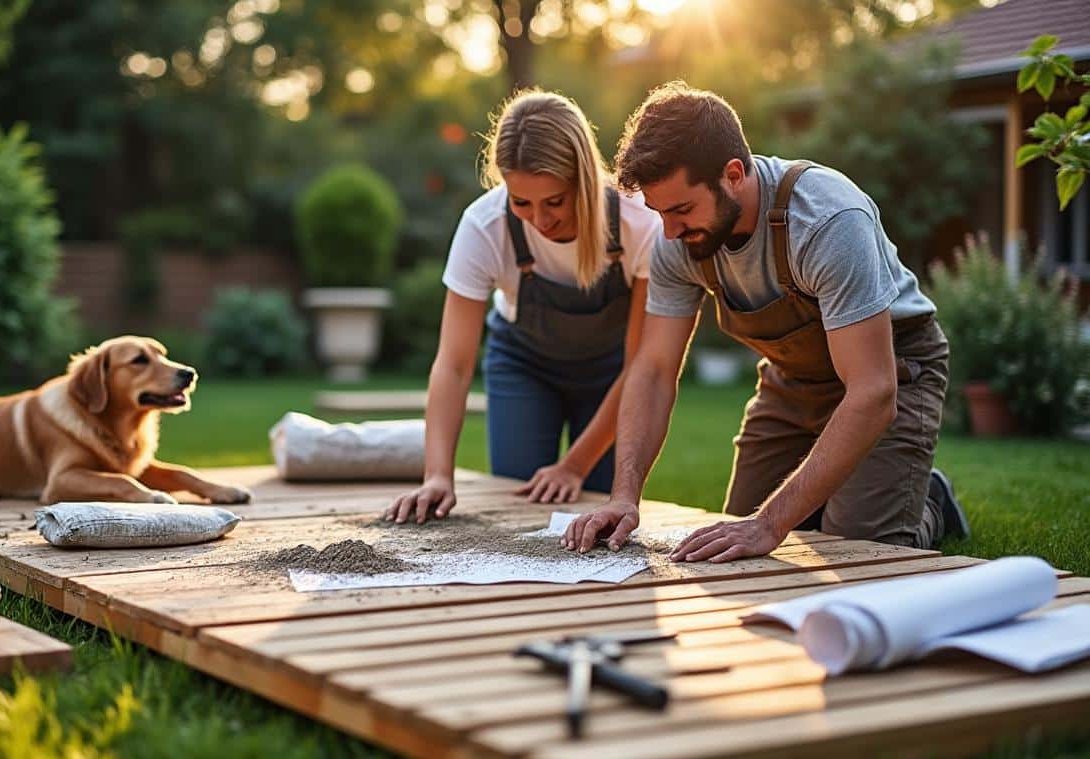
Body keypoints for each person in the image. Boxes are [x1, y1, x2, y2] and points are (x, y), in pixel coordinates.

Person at [563, 82, 969, 559]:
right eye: (659, 213)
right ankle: (837, 496)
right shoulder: (678, 240)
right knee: (733, 536)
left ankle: (930, 505)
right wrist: (624, 496)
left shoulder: (826, 220)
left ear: (733, 174)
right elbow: (652, 372)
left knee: (854, 548)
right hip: (792, 381)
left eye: (682, 210)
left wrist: (771, 522)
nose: (669, 232)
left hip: (894, 371)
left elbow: (873, 391)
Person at [384, 89, 663, 524]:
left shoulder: (639, 223)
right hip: (524, 366)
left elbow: (642, 364)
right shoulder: (484, 226)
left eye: (554, 201)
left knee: (601, 515)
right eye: (522, 202)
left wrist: (575, 465)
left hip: (615, 374)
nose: (540, 219)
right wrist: (437, 475)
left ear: (584, 179)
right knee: (517, 509)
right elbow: (453, 366)